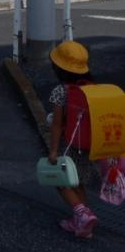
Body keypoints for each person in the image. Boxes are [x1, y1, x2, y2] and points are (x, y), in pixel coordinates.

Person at [46, 40, 99, 239]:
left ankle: (82, 214)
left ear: (59, 68)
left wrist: (52, 151)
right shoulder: (92, 88)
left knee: (61, 181)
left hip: (68, 146)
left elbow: (57, 124)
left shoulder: (61, 91)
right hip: (87, 145)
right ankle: (84, 225)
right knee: (78, 183)